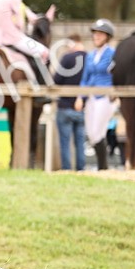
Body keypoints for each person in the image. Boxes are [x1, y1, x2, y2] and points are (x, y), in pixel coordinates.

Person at [76, 19, 118, 170]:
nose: (96, 37)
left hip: (105, 96)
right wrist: (80, 97)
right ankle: (103, 166)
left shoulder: (112, 54)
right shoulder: (90, 55)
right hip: (91, 97)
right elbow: (85, 78)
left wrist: (114, 91)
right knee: (91, 133)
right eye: (95, 34)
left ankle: (103, 166)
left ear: (107, 36)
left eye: (100, 34)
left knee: (97, 132)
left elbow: (116, 75)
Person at [53, 35, 87, 171]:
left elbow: (57, 79)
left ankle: (66, 170)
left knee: (65, 143)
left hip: (65, 106)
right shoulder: (89, 58)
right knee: (80, 142)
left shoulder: (67, 58)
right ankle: (81, 170)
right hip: (82, 107)